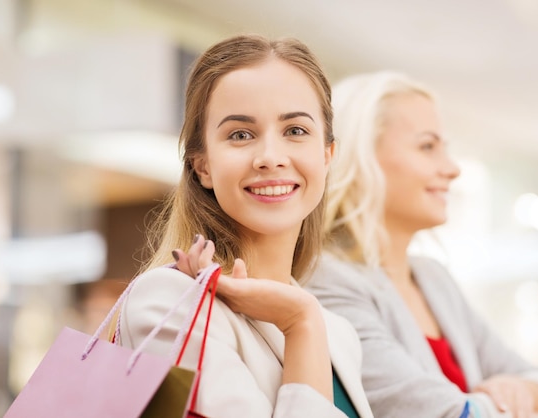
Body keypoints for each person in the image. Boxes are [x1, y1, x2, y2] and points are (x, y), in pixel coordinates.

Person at [116, 35, 373, 418]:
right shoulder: (168, 302)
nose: (270, 158)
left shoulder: (338, 333)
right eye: (240, 135)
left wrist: (305, 319)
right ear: (202, 166)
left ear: (327, 154)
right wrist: (299, 324)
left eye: (296, 131)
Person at [305, 71, 538, 418]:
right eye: (428, 147)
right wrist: (518, 401)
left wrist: (520, 391)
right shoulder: (327, 282)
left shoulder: (433, 277)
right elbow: (443, 414)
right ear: (359, 156)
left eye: (446, 149)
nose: (453, 169)